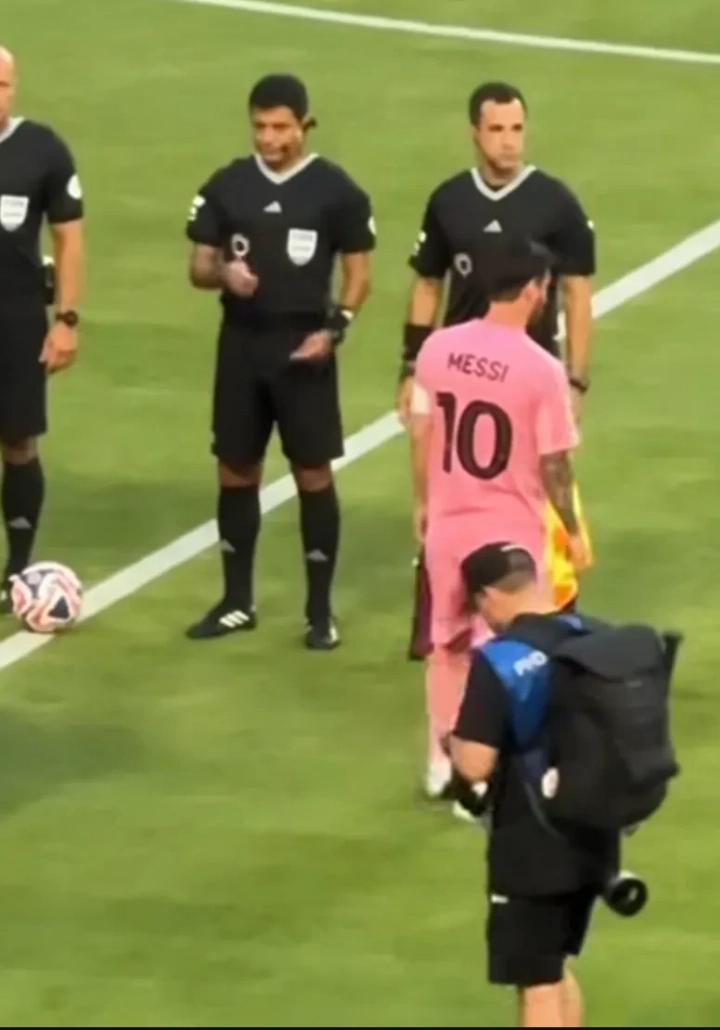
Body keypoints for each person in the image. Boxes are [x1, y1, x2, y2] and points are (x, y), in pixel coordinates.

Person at [398, 81, 596, 659]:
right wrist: (410, 367)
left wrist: (576, 378)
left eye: (517, 129)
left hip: (526, 382)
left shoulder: (554, 202)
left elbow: (578, 292)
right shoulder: (449, 201)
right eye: (497, 130)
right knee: (450, 493)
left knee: (531, 495)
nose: (509, 141)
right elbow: (428, 283)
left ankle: (546, 615)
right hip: (458, 375)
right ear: (474, 133)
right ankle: (442, 619)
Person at [185, 73, 376, 648]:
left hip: (304, 349)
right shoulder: (227, 186)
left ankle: (319, 612)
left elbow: (359, 273)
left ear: (303, 124)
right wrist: (223, 273)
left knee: (312, 473)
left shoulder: (336, 191)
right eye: (260, 126)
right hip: (242, 345)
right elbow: (198, 266)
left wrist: (335, 328)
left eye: (280, 127)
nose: (269, 138)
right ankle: (236, 601)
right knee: (234, 468)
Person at [409, 234, 589, 801]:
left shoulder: (438, 348)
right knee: (514, 649)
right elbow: (554, 462)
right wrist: (573, 530)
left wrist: (422, 502)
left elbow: (422, 431)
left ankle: (442, 764)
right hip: (509, 528)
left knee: (446, 644)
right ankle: (496, 770)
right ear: (534, 289)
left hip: (448, 523)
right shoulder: (541, 369)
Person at [451, 542, 619, 1028]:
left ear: (487, 596)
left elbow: (475, 765)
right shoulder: (596, 636)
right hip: (595, 832)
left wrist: (454, 744)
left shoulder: (501, 660)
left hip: (533, 842)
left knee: (537, 983)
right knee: (555, 963)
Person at [0, 45, 84, 613]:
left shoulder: (42, 149)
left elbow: (69, 238)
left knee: (18, 440)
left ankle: (16, 568)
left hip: (17, 316)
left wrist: (67, 321)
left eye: (1, 85)